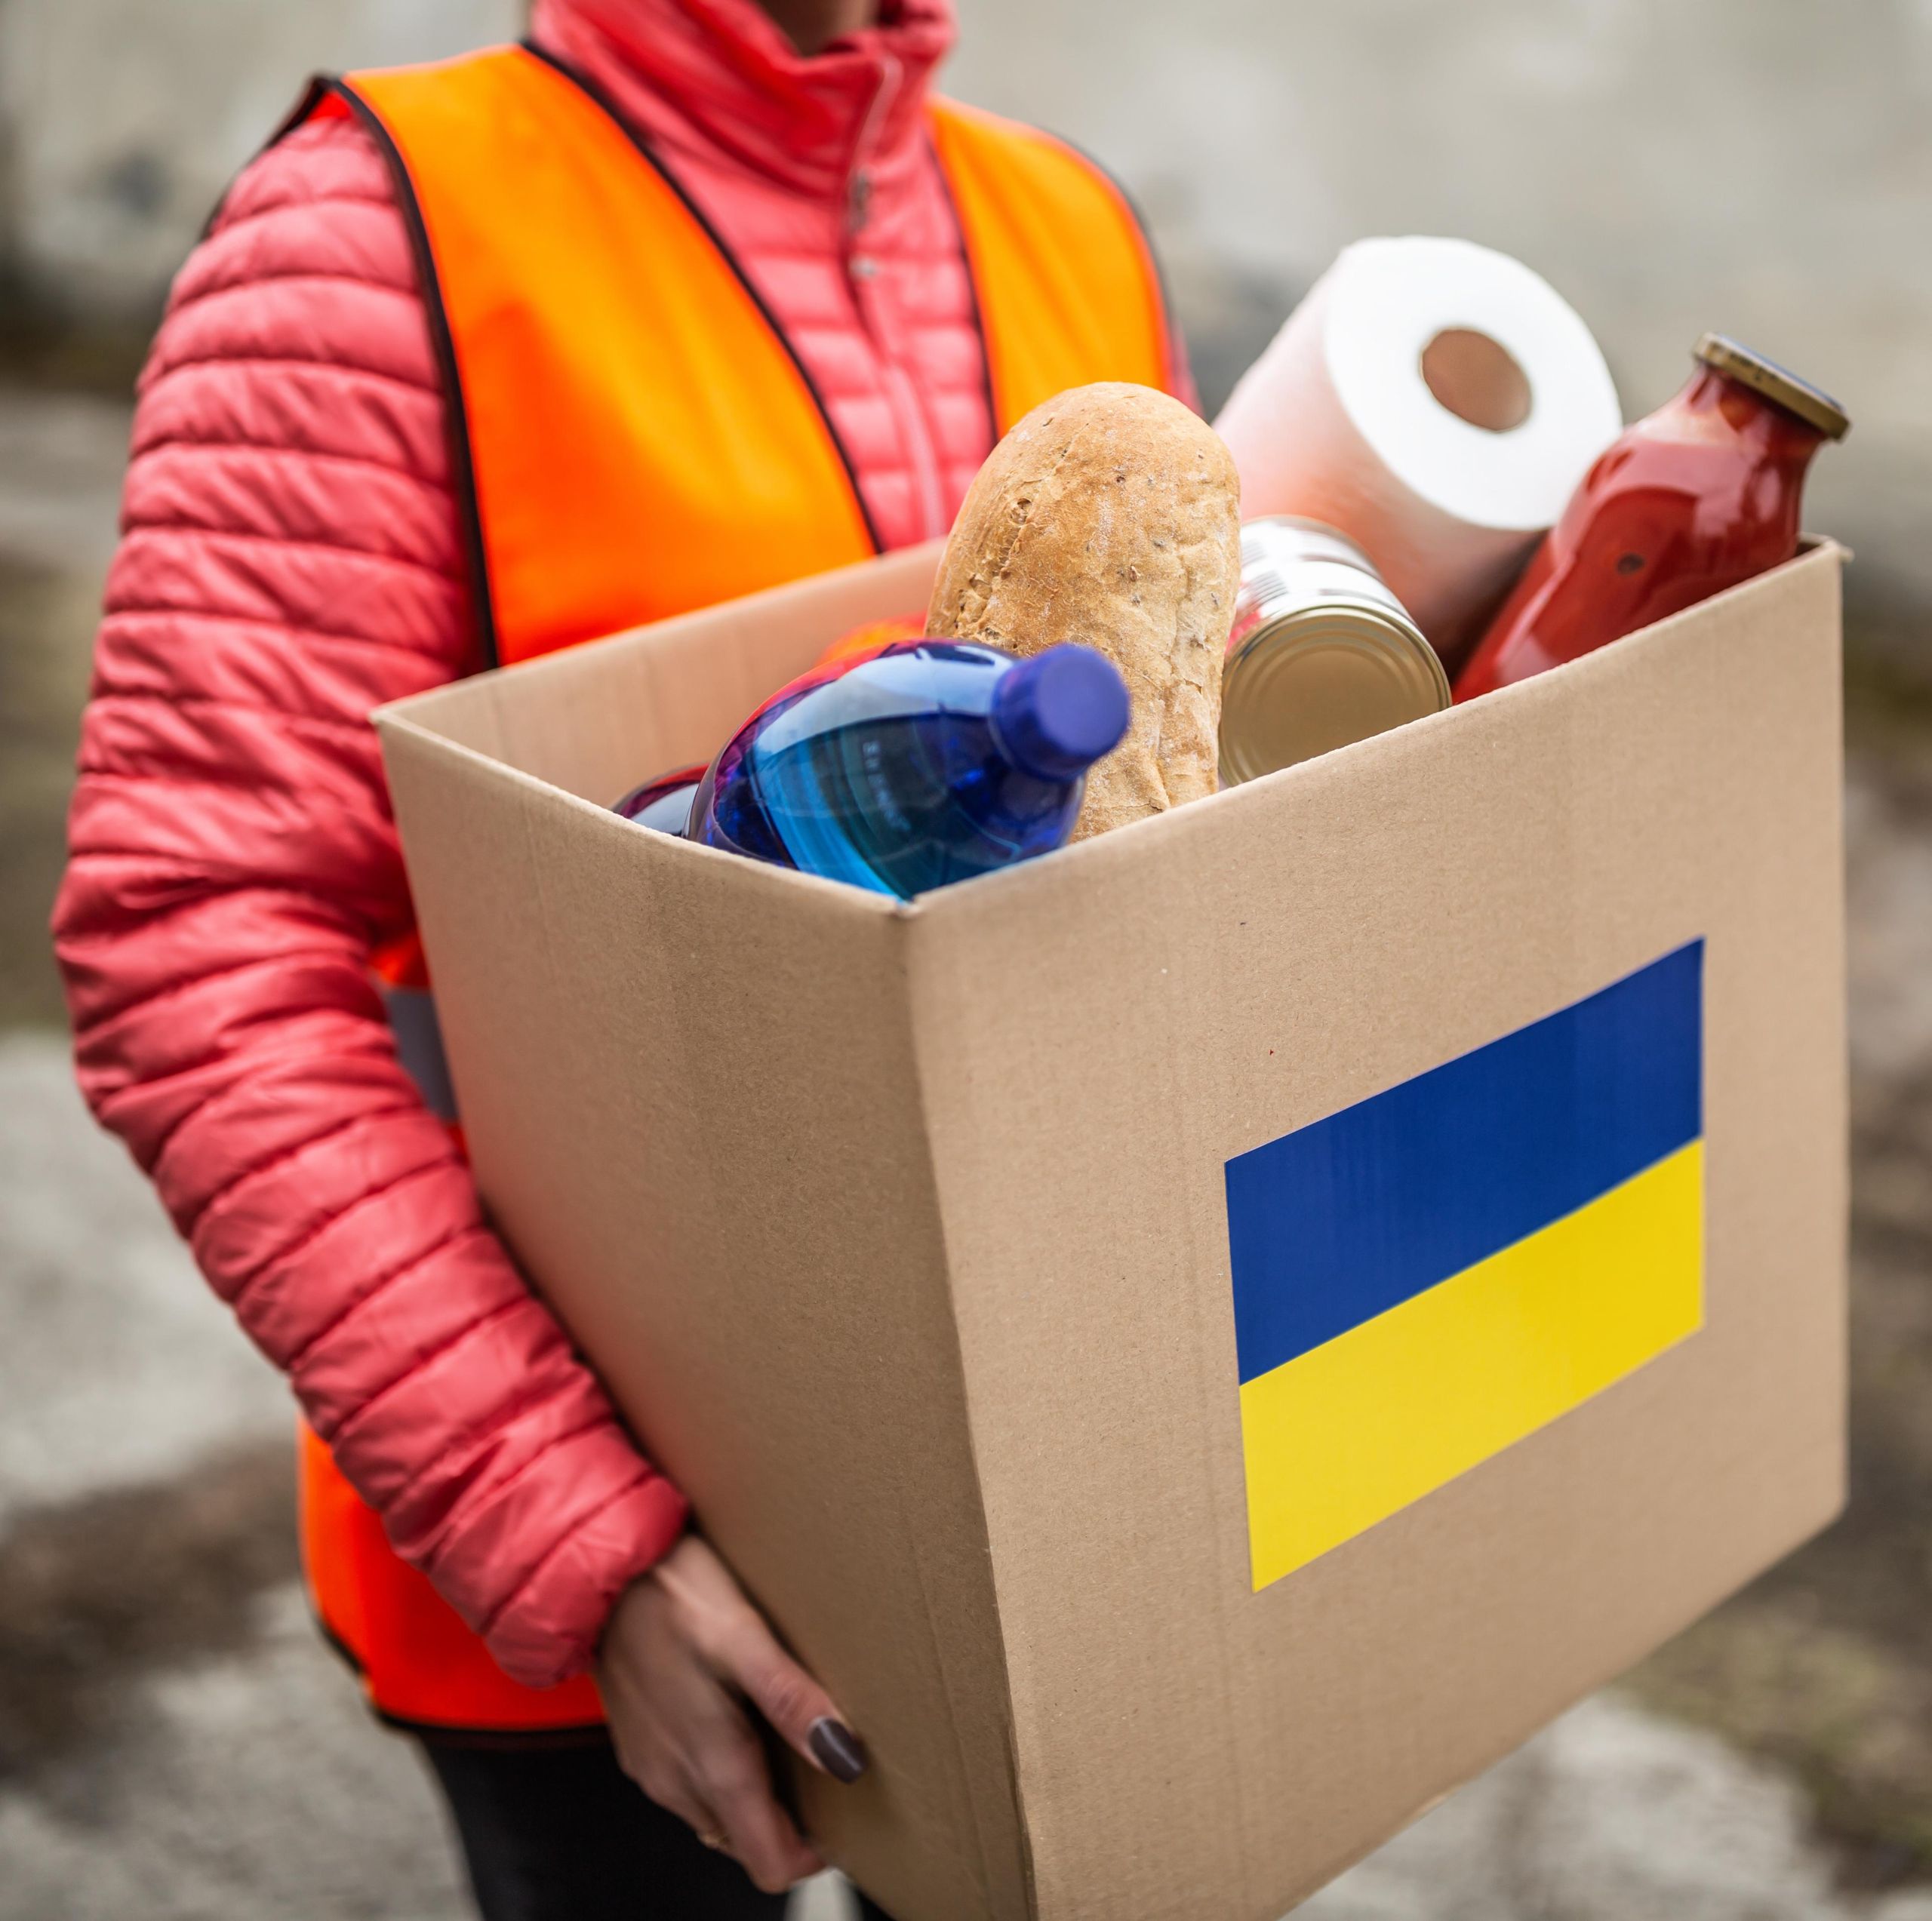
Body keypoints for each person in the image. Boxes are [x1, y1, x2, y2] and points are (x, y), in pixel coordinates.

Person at [52, 0, 1193, 1912]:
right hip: (597, 1511)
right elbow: (197, 944)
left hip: (1034, 1497)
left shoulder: (1066, 220)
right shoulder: (373, 231)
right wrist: (579, 1539)